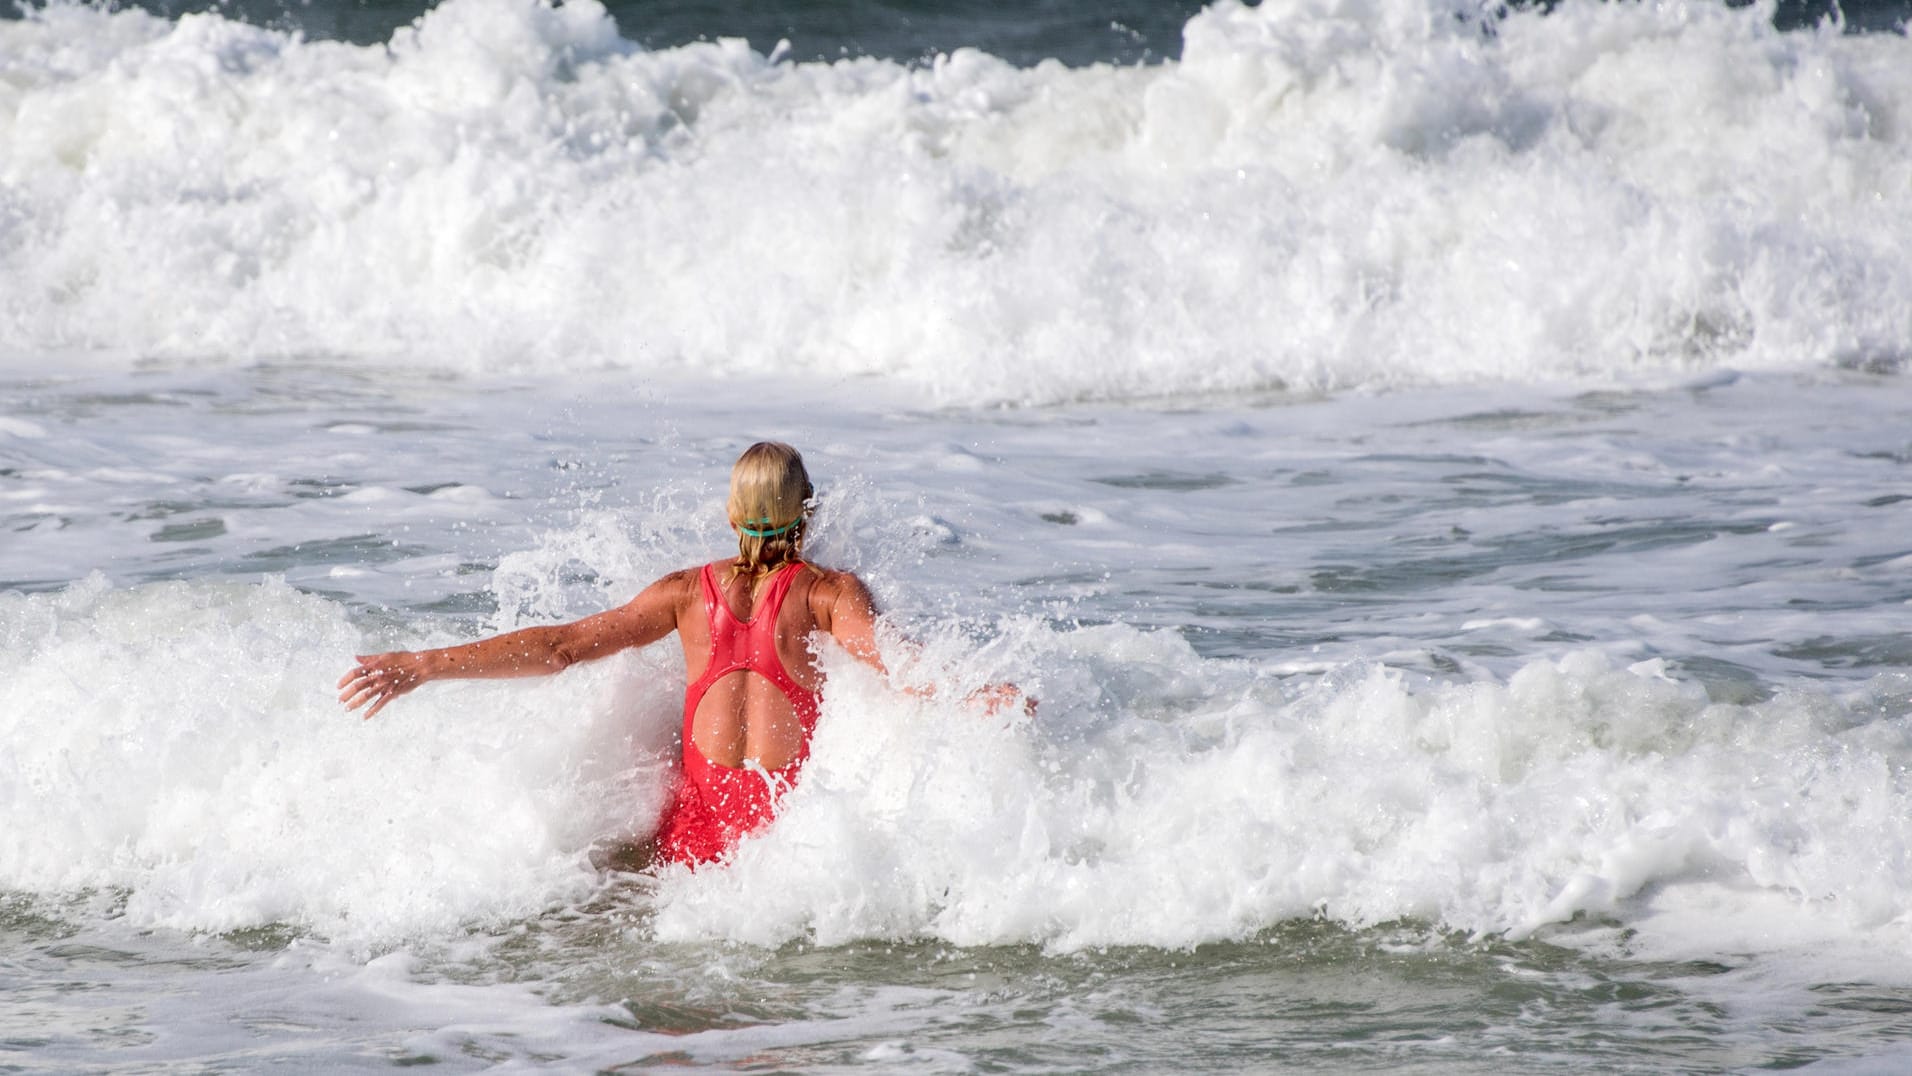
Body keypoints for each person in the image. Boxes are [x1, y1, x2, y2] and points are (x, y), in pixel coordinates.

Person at [338, 441, 1024, 869]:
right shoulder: (830, 595)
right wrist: (977, 698)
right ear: (807, 514)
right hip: (787, 848)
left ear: (730, 515)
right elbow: (899, 667)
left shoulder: (681, 595)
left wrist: (425, 664)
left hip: (693, 838)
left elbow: (558, 649)